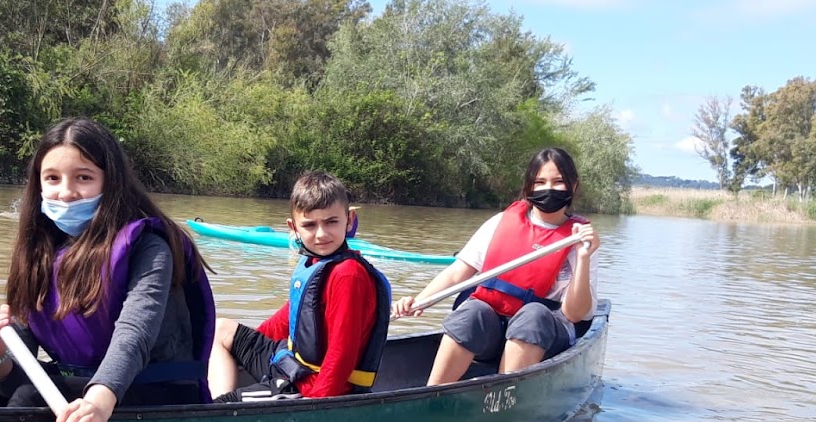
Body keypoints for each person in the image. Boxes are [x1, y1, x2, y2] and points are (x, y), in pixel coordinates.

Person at [0, 118, 215, 422]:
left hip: (153, 388)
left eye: (83, 178)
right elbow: (11, 378)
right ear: (38, 184)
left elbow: (134, 334)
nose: (66, 193)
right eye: (52, 178)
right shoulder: (40, 250)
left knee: (30, 400)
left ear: (110, 181)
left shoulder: (149, 247)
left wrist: (98, 400)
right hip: (82, 382)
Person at [392, 147, 600, 385]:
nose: (548, 189)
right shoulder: (500, 222)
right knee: (472, 311)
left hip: (545, 335)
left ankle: (503, 395)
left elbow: (575, 314)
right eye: (540, 182)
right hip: (494, 330)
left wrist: (583, 257)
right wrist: (418, 302)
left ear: (573, 186)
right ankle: (433, 393)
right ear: (529, 187)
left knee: (533, 315)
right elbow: (457, 273)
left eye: (558, 182)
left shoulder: (579, 238)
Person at [208, 171, 391, 402]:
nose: (321, 234)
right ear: (293, 227)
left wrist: (315, 405)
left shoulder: (348, 274)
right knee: (220, 330)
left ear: (349, 220)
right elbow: (288, 318)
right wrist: (247, 351)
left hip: (311, 387)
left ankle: (222, 407)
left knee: (225, 404)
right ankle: (220, 402)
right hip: (293, 365)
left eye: (331, 222)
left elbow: (342, 354)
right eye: (310, 225)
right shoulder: (313, 262)